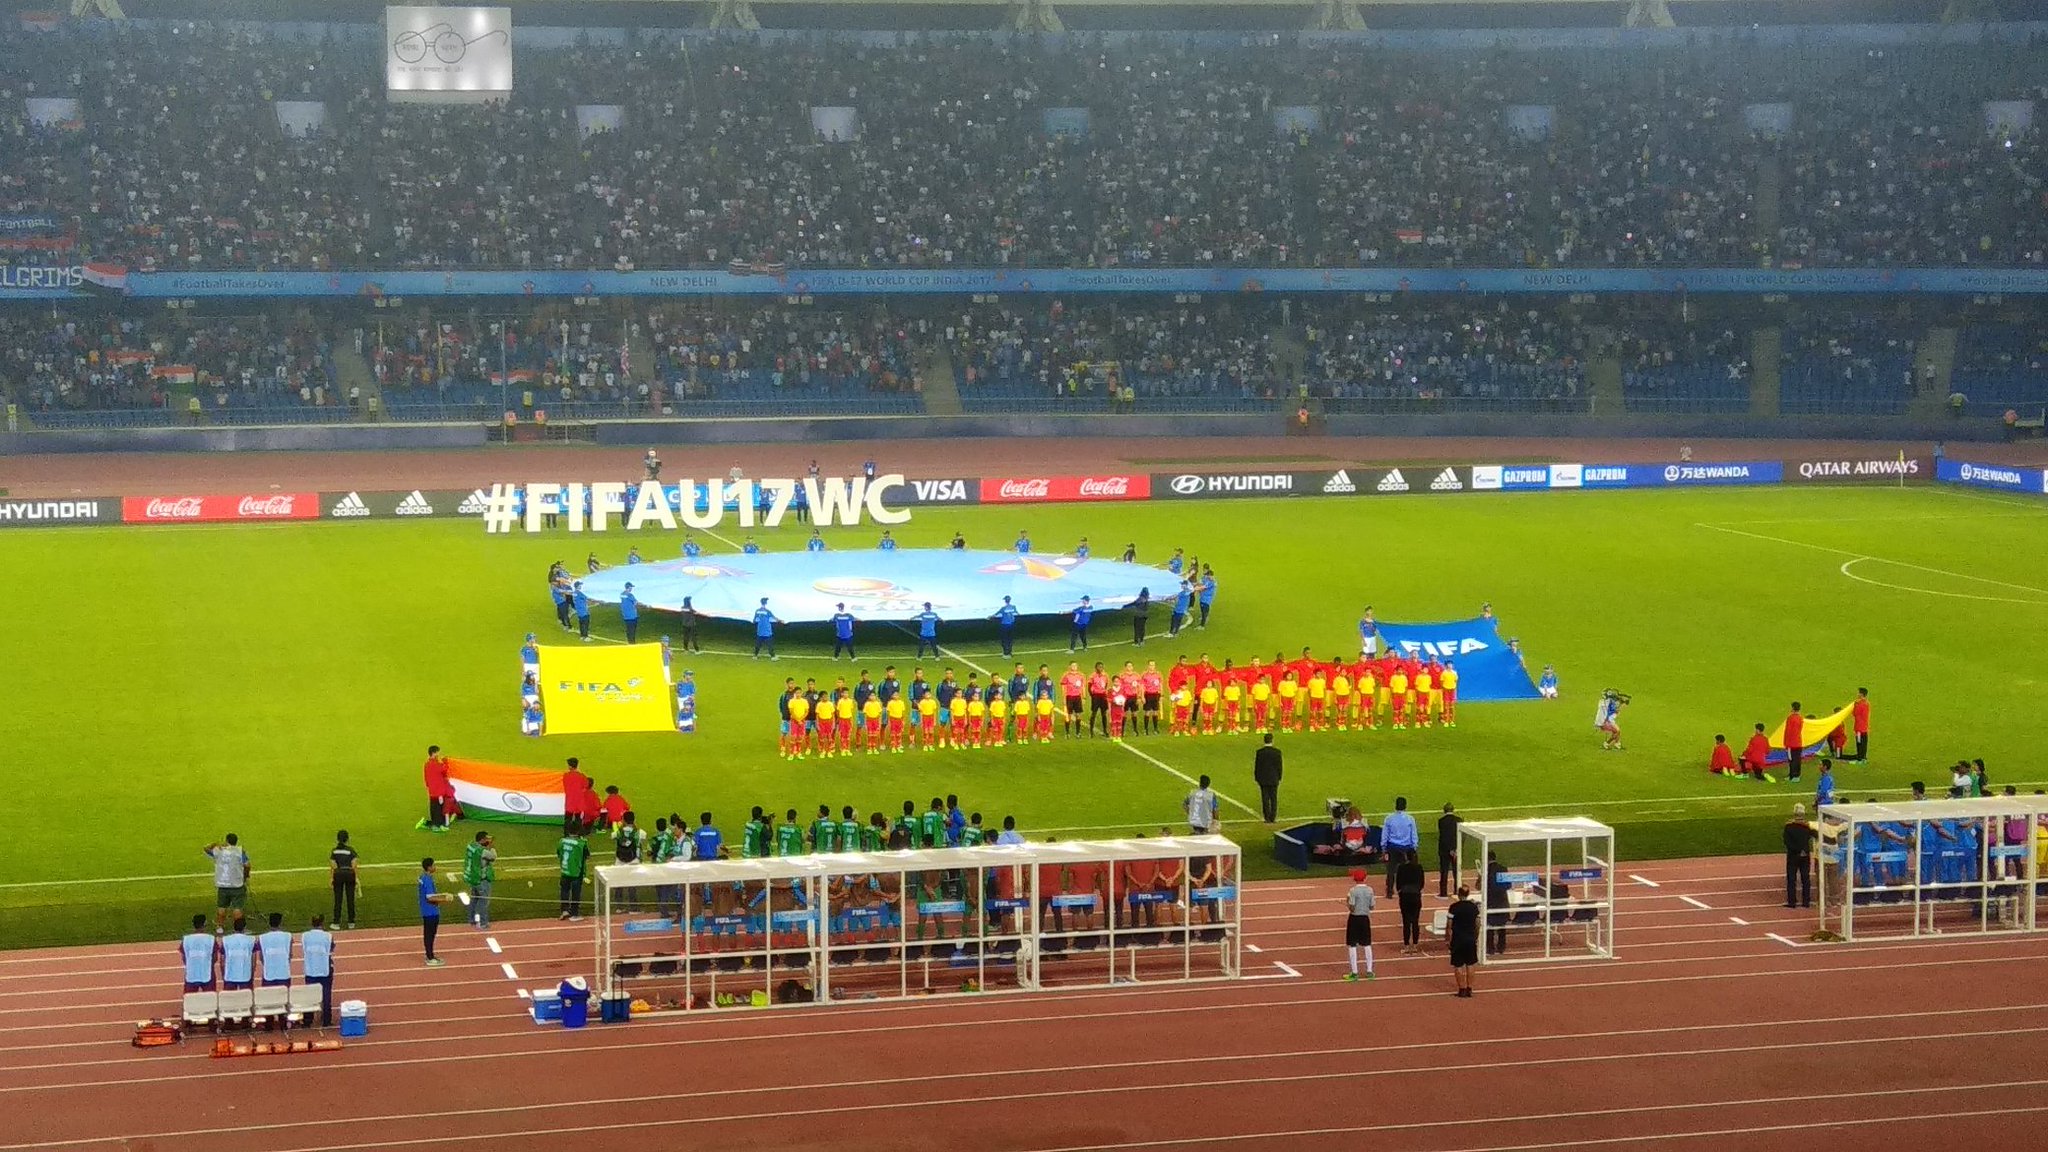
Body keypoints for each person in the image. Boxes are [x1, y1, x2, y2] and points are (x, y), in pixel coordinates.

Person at [206, 834, 251, 932]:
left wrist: (215, 844)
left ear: (226, 841)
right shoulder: (239, 851)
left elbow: (206, 849)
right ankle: (239, 929)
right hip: (237, 884)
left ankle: (219, 927)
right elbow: (247, 865)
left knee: (222, 907)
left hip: (222, 884)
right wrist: (246, 875)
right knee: (237, 907)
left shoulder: (219, 851)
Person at [300, 915, 335, 1027]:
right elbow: (331, 948)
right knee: (326, 995)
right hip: (324, 969)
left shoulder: (305, 936)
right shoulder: (328, 936)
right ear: (322, 923)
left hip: (310, 969)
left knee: (310, 995)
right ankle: (326, 1020)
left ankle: (308, 1020)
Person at [1343, 869, 1376, 982]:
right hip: (1365, 918)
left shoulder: (1353, 891)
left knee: (1352, 945)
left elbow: (1351, 906)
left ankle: (1354, 972)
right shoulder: (1370, 890)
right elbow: (1372, 907)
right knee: (1367, 944)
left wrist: (1347, 901)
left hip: (1354, 918)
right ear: (1365, 878)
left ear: (1354, 879)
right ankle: (1369, 970)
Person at [1381, 797, 1419, 898]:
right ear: (1405, 806)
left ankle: (1389, 891)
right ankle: (1404, 890)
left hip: (1392, 847)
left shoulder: (1389, 818)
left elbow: (1385, 834)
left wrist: (1384, 847)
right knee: (1405, 870)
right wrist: (1414, 846)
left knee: (1390, 870)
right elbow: (1413, 834)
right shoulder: (1410, 819)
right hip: (1406, 848)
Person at [418, 858, 451, 966]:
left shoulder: (423, 877)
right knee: (430, 935)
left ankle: (430, 955)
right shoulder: (427, 879)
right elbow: (430, 897)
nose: (435, 867)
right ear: (429, 867)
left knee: (430, 934)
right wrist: (445, 899)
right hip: (430, 912)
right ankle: (430, 957)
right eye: (433, 865)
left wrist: (443, 895)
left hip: (427, 911)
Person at [1448, 886, 1480, 997]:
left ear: (1458, 894)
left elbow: (1449, 925)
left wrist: (1447, 938)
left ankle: (1461, 989)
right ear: (1468, 894)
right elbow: (1477, 923)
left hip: (1457, 939)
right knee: (1470, 964)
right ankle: (1469, 988)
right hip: (1470, 938)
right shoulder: (1473, 907)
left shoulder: (1454, 907)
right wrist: (1476, 935)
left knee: (1458, 965)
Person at [1784, 803, 1816, 908]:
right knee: (1805, 878)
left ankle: (1792, 902)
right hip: (1805, 854)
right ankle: (1806, 901)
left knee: (1791, 878)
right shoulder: (1807, 827)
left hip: (1793, 855)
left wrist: (1797, 850)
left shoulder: (1789, 826)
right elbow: (1815, 835)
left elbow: (1787, 842)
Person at [1395, 851, 1427, 954]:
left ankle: (1406, 946)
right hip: (1416, 895)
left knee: (1406, 922)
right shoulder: (1419, 867)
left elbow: (1398, 883)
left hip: (1405, 896)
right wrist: (1417, 890)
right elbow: (1422, 883)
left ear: (1406, 857)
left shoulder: (1401, 867)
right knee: (1415, 921)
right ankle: (1415, 945)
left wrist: (1401, 892)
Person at [557, 823, 590, 921]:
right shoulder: (582, 843)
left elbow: (559, 853)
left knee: (564, 890)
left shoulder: (561, 841)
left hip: (565, 870)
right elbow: (587, 856)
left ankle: (564, 910)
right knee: (576, 892)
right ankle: (574, 914)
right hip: (576, 871)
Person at [326, 830, 359, 930]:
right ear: (347, 839)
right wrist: (356, 878)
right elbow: (354, 865)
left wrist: (332, 878)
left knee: (338, 899)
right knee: (350, 898)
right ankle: (351, 922)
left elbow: (333, 865)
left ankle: (336, 922)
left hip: (338, 874)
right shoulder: (351, 851)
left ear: (337, 839)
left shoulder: (334, 851)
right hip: (349, 874)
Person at [464, 831, 496, 929]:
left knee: (474, 899)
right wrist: (491, 847)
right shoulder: (483, 851)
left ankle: (472, 919)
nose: (488, 841)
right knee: (484, 901)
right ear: (482, 840)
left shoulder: (471, 846)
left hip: (472, 878)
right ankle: (483, 923)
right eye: (486, 839)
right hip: (481, 879)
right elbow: (493, 857)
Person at [180, 914, 218, 993]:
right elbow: (215, 958)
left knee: (189, 999)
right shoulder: (211, 939)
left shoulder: (186, 939)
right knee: (210, 999)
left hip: (191, 973)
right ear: (204, 924)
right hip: (207, 972)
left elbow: (184, 957)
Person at [421, 745, 454, 831]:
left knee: (433, 807)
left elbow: (426, 777)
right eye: (438, 752)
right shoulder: (435, 765)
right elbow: (444, 770)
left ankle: (434, 823)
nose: (439, 754)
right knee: (438, 808)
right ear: (434, 753)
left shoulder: (427, 764)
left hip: (432, 790)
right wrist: (446, 762)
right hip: (438, 791)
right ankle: (438, 825)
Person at [1253, 733, 1283, 824]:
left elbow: (1257, 766)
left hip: (1263, 779)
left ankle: (1267, 818)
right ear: (1272, 740)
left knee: (1265, 798)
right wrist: (1279, 777)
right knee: (1273, 798)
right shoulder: (1277, 752)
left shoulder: (1260, 752)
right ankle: (1273, 817)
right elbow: (1279, 766)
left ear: (1264, 740)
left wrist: (1257, 777)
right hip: (1274, 778)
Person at [219, 917, 256, 991]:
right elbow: (253, 960)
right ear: (245, 928)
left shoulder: (226, 940)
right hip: (245, 975)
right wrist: (252, 973)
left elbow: (222, 960)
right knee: (247, 999)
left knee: (229, 999)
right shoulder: (251, 940)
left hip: (229, 976)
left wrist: (223, 973)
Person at [258, 912, 293, 988]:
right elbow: (290, 955)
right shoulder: (288, 936)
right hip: (283, 974)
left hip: (268, 974)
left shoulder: (262, 937)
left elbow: (261, 957)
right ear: (280, 923)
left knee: (269, 998)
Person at [1436, 803, 1462, 898]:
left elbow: (1444, 837)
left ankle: (1443, 893)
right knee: (1456, 871)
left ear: (1444, 810)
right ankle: (1457, 891)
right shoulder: (1459, 820)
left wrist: (1450, 849)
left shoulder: (1441, 821)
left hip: (1444, 850)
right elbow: (1460, 837)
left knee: (1444, 871)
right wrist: (1456, 849)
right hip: (1456, 850)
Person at [1783, 703, 1806, 782]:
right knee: (1797, 759)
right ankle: (1795, 775)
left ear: (1792, 708)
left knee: (1792, 759)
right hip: (1798, 742)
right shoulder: (1800, 718)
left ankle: (1792, 776)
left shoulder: (1790, 718)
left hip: (1791, 743)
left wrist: (1785, 743)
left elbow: (1788, 731)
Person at [1849, 688, 1871, 761]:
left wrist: (1855, 705)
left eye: (1858, 693)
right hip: (1865, 727)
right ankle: (1863, 757)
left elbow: (1854, 713)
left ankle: (1859, 759)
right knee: (1864, 743)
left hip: (1859, 728)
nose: (1857, 694)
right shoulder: (1867, 703)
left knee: (1859, 743)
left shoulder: (1859, 704)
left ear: (1861, 694)